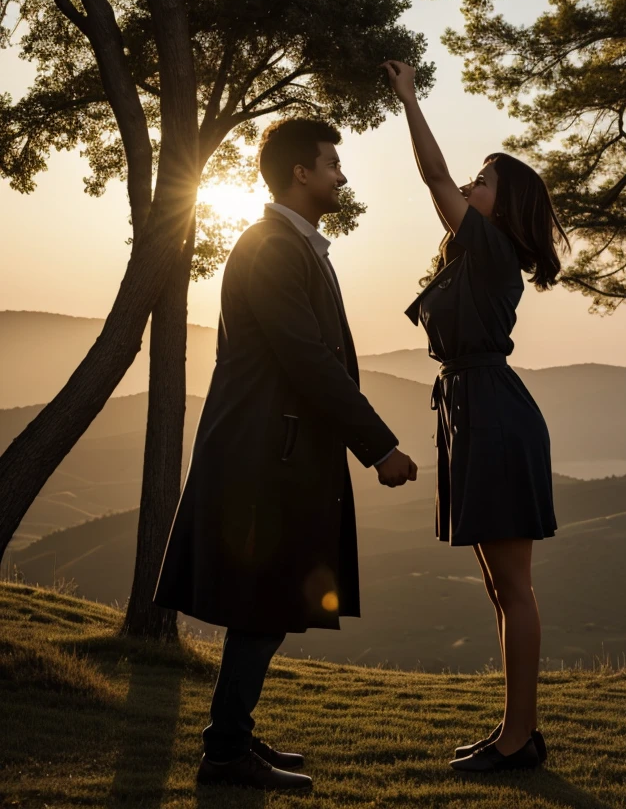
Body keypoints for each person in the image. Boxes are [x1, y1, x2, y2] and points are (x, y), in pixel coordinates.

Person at [154, 116, 418, 792]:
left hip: (275, 453)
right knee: (264, 603)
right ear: (301, 173)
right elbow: (307, 360)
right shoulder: (273, 246)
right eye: (333, 164)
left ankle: (231, 739)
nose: (342, 174)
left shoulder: (290, 244)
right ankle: (225, 753)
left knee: (263, 604)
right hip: (264, 459)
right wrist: (379, 444)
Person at [382, 59, 569, 774]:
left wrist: (410, 100)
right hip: (473, 409)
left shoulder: (491, 252)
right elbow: (444, 186)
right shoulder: (473, 255)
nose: (468, 182)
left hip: (492, 412)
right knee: (500, 588)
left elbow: (432, 176)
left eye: (483, 180)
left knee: (513, 588)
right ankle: (512, 731)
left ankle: (521, 741)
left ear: (503, 206)